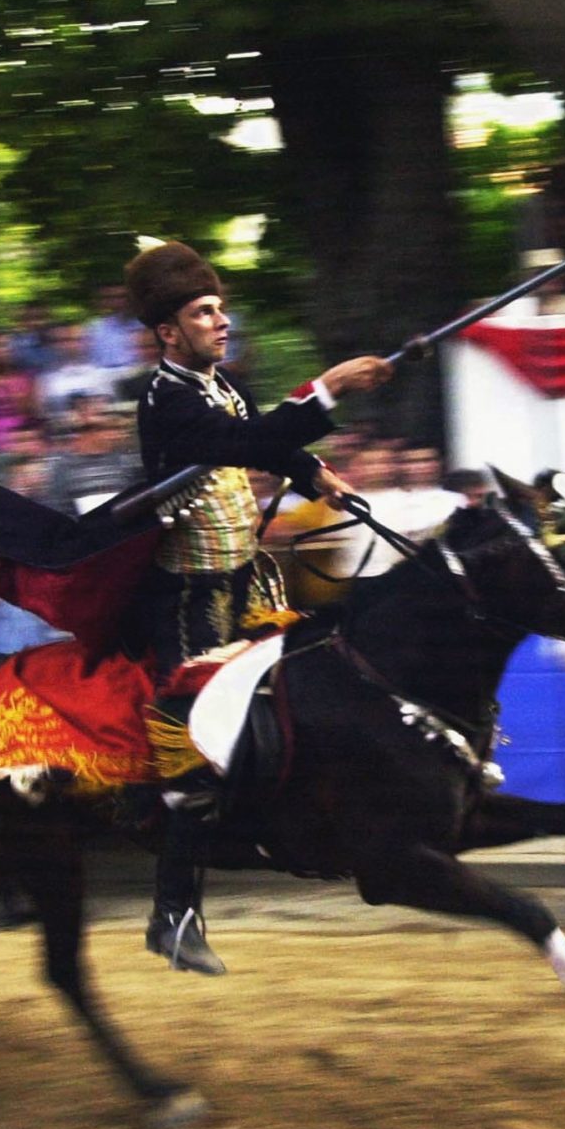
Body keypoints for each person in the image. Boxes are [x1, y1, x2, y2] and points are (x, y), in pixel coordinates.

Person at [127, 239, 393, 974]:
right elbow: (247, 439)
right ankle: (173, 913)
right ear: (168, 332)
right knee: (199, 739)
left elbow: (266, 449)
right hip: (187, 602)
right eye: (204, 312)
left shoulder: (221, 386)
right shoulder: (168, 399)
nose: (222, 321)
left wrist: (315, 476)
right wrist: (329, 388)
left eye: (221, 308)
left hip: (248, 580)